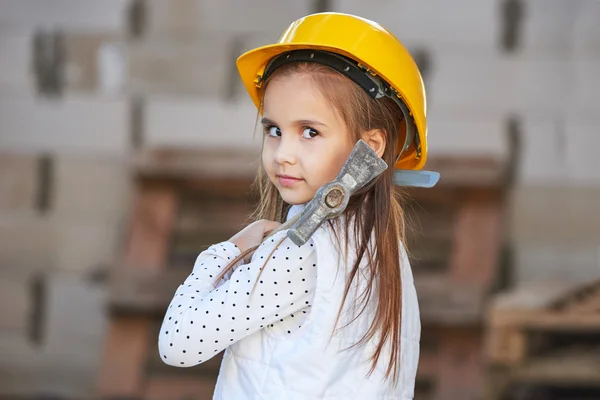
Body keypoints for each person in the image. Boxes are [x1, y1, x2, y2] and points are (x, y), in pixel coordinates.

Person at [158, 12, 432, 399]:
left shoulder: (300, 253)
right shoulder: (381, 247)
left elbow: (178, 343)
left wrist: (228, 250)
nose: (283, 153)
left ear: (369, 148)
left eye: (310, 132)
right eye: (274, 130)